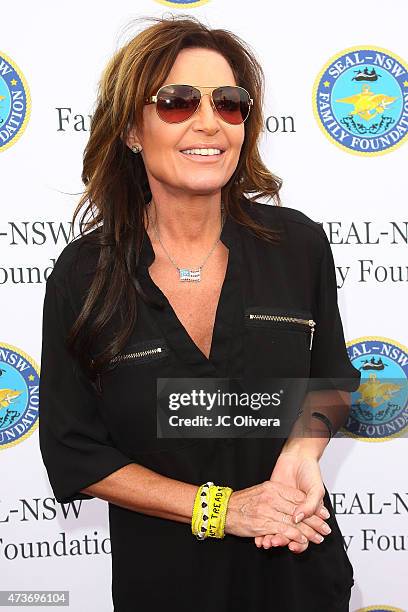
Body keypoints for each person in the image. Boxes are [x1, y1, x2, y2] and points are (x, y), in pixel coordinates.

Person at [38, 15, 361, 612]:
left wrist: (299, 453)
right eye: (177, 102)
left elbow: (335, 379)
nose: (209, 122)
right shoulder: (85, 275)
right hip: (168, 586)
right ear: (132, 129)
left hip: (299, 573)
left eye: (230, 103)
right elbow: (75, 452)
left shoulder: (297, 246)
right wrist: (223, 510)